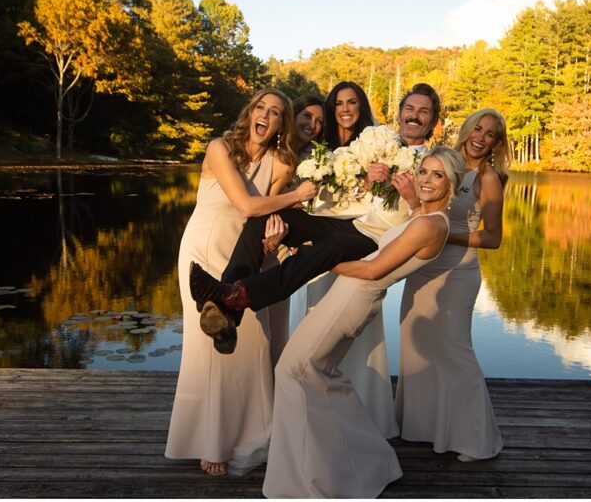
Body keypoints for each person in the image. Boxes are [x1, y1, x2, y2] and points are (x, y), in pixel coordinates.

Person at [261, 147, 466, 499]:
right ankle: (370, 459)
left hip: (355, 295)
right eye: (425, 172)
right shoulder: (424, 217)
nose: (427, 180)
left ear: (452, 183)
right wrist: (411, 200)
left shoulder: (433, 224)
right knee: (319, 374)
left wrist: (313, 257)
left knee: (292, 370)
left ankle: (303, 481)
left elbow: (372, 269)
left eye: (438, 175)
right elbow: (406, 231)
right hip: (355, 294)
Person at [188, 82, 441, 353]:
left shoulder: (434, 163)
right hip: (349, 221)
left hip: (378, 237)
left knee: (327, 249)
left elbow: (432, 218)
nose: (415, 115)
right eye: (410, 108)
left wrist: (412, 198)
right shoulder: (377, 139)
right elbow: (352, 191)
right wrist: (364, 181)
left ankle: (233, 299)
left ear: (433, 120)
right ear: (401, 112)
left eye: (423, 111)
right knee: (268, 217)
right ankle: (227, 305)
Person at [164, 89, 316, 478]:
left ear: (282, 124)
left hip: (241, 258)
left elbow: (263, 217)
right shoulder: (219, 148)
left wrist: (274, 236)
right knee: (206, 347)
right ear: (250, 114)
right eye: (261, 108)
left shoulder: (282, 164)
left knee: (252, 344)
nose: (266, 115)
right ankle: (210, 442)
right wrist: (297, 196)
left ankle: (254, 434)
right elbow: (246, 205)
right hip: (202, 253)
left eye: (276, 112)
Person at [394, 107, 511, 461]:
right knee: (416, 344)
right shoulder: (441, 160)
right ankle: (422, 428)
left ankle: (477, 440)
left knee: (455, 351)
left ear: (496, 143)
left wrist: (445, 234)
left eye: (491, 134)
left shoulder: (488, 179)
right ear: (467, 129)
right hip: (422, 265)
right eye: (478, 128)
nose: (481, 137)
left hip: (457, 272)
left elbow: (492, 239)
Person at [291, 93, 326, 158]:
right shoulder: (273, 146)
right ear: (294, 115)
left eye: (319, 121)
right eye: (307, 116)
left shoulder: (318, 158)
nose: (312, 125)